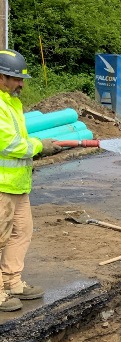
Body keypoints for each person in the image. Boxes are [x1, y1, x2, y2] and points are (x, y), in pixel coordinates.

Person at [0, 49, 63, 312]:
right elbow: (9, 143)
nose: (21, 84)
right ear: (1, 77)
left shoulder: (11, 102)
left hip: (17, 184)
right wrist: (40, 145)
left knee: (21, 233)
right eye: (16, 79)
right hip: (1, 185)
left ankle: (12, 281)